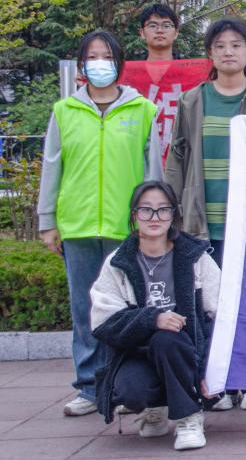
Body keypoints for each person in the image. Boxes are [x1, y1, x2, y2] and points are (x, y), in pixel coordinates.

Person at [37, 30, 163, 416]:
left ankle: (124, 385)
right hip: (77, 226)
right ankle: (90, 387)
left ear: (119, 63)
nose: (99, 64)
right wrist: (48, 220)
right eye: (91, 57)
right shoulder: (65, 111)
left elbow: (153, 170)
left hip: (126, 227)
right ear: (82, 65)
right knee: (84, 309)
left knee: (128, 309)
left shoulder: (142, 110)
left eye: (106, 56)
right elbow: (52, 167)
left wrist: (154, 218)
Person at [164, 18, 246, 411]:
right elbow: (178, 155)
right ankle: (216, 383)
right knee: (209, 303)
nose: (228, 51)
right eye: (220, 45)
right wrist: (171, 209)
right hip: (204, 222)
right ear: (210, 54)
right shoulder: (192, 100)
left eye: (236, 45)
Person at [90, 181, 220, 450]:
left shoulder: (195, 257)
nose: (155, 217)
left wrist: (213, 369)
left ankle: (189, 416)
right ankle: (155, 408)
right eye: (146, 209)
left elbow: (221, 315)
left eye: (163, 209)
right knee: (131, 390)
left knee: (167, 339)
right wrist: (153, 318)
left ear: (174, 215)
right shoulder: (119, 262)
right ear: (134, 214)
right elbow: (104, 323)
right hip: (137, 353)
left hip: (186, 353)